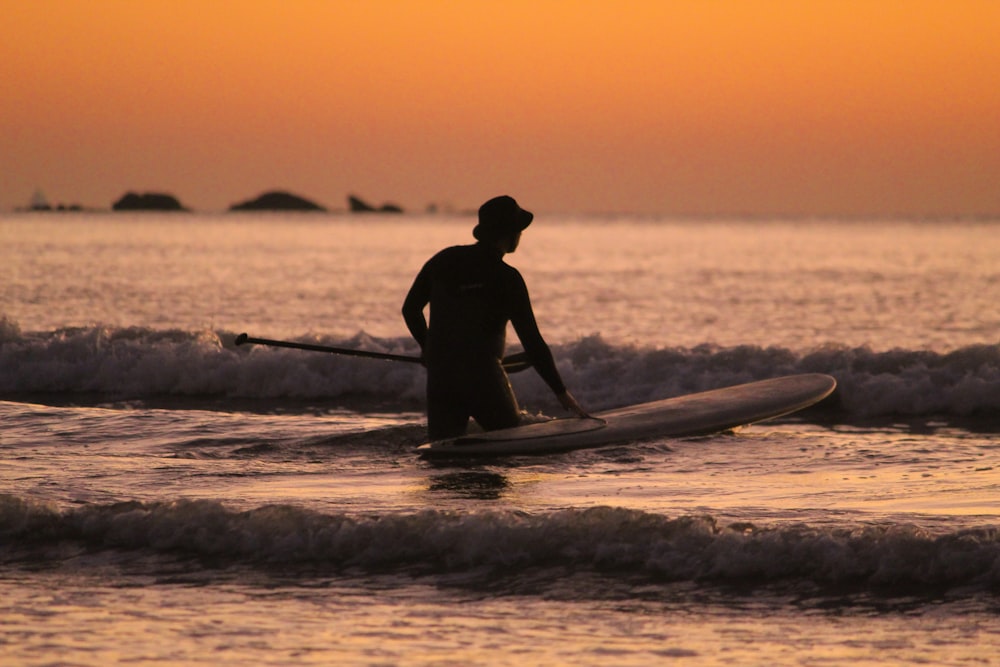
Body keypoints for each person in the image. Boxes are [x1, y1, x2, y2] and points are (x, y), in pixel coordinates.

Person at [402, 195, 588, 440]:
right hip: (484, 377)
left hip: (442, 375)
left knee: (443, 455)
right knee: (509, 443)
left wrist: (428, 346)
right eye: (519, 230)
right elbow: (532, 341)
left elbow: (410, 309)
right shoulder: (507, 278)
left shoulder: (444, 260)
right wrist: (562, 393)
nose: (521, 236)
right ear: (509, 233)